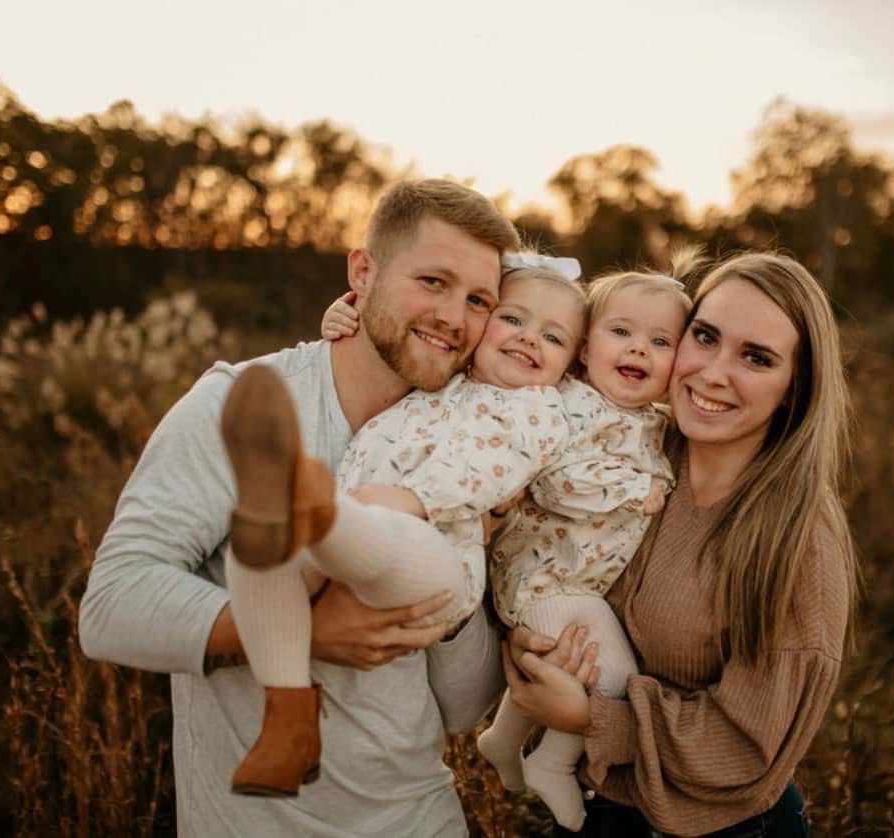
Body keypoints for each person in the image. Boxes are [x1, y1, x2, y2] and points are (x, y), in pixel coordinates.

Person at [78, 179, 527, 836]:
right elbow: (112, 605)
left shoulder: (475, 439)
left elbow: (462, 710)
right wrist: (305, 634)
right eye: (433, 282)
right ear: (363, 271)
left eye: (478, 300)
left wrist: (457, 582)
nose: (455, 318)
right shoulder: (242, 401)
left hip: (421, 820)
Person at [501, 252, 859, 837]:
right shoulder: (635, 441)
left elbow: (749, 745)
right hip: (610, 808)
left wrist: (590, 717)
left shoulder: (799, 537)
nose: (713, 373)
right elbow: (516, 359)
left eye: (756, 357)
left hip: (728, 828)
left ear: (795, 389)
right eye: (705, 336)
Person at [220, 257, 587, 796]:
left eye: (553, 338)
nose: (530, 340)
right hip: (361, 515)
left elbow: (485, 474)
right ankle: (289, 718)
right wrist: (342, 315)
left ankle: (320, 511)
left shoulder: (540, 411)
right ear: (481, 327)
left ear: (571, 365)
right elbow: (399, 337)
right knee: (257, 558)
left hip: (439, 562)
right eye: (513, 320)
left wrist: (405, 500)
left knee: (379, 536)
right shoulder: (446, 373)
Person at [476, 253, 698, 830]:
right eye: (620, 332)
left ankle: (503, 739)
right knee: (617, 679)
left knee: (570, 666)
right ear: (583, 346)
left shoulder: (653, 419)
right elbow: (554, 482)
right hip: (541, 578)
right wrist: (634, 490)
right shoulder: (567, 405)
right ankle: (552, 761)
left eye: (659, 341)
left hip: (572, 581)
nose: (637, 350)